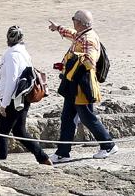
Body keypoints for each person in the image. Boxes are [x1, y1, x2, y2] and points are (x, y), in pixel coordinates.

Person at [47, 10, 116, 163]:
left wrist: (72, 59)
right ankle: (63, 153)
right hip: (73, 83)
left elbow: (90, 61)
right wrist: (58, 28)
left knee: (87, 117)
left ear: (79, 22)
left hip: (82, 84)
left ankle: (108, 145)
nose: (72, 21)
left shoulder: (89, 39)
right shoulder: (82, 34)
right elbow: (73, 34)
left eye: (73, 19)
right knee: (67, 117)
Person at [0, 25, 51, 165]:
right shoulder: (23, 52)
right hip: (23, 96)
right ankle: (43, 157)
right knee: (19, 131)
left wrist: (4, 104)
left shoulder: (12, 55)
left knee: (1, 131)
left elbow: (12, 81)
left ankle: (0, 162)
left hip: (14, 99)